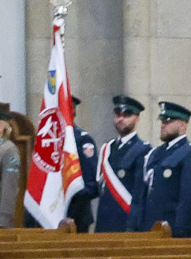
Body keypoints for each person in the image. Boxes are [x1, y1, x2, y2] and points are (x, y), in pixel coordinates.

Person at [133, 102, 191, 237]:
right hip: (150, 225)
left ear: (182, 125)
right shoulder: (155, 153)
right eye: (162, 121)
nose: (163, 125)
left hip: (172, 227)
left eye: (168, 121)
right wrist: (137, 224)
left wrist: (181, 229)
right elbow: (143, 193)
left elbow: (189, 197)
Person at [97, 95, 149, 232]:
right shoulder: (108, 148)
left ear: (137, 118)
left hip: (125, 221)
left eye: (126, 115)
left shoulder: (143, 150)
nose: (120, 119)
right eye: (118, 115)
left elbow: (139, 194)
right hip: (104, 221)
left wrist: (132, 225)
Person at [63, 95, 101, 232]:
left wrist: (68, 196)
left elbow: (92, 185)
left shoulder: (83, 140)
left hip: (77, 215)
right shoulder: (49, 141)